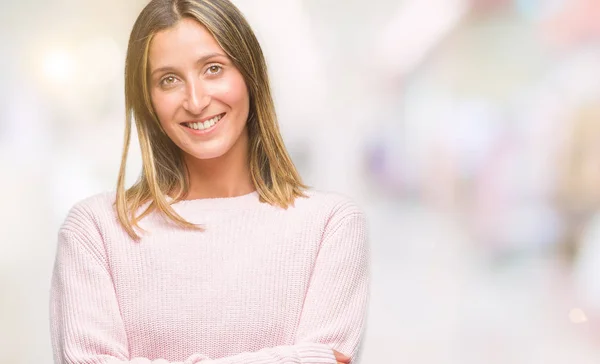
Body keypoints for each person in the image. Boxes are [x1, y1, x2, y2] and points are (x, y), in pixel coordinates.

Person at [49, 1, 370, 363]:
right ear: (148, 100)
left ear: (250, 74)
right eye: (168, 80)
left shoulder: (330, 225)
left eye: (213, 69)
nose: (197, 100)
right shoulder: (95, 231)